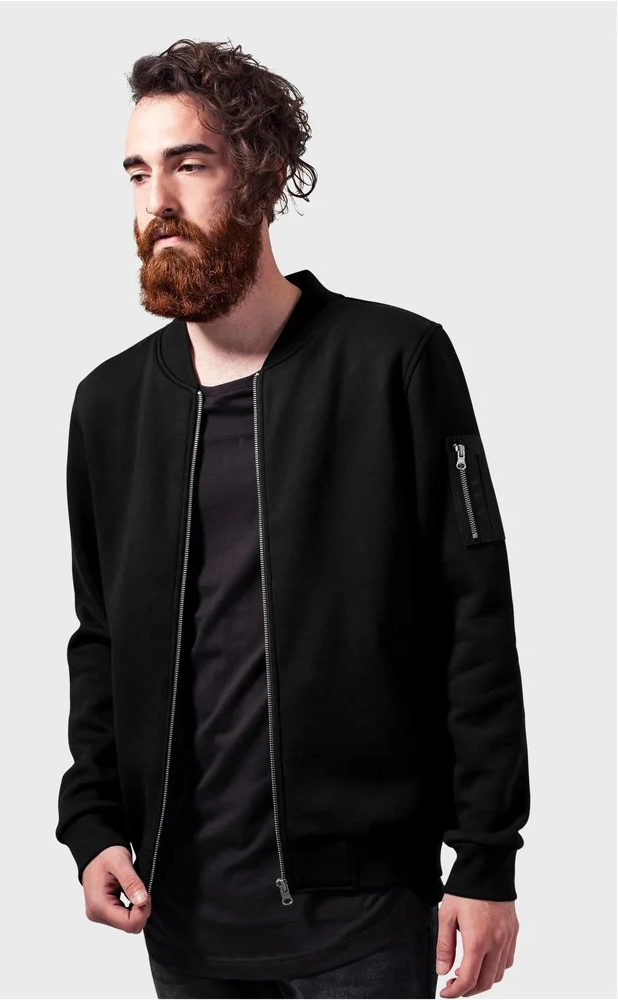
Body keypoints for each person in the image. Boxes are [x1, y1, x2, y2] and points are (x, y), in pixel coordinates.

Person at [55, 38, 531, 1000]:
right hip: (181, 920)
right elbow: (101, 637)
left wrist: (485, 860)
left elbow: (472, 616)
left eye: (190, 165)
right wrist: (94, 822)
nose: (157, 202)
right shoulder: (109, 406)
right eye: (138, 173)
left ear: (266, 179)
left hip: (364, 916)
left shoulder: (395, 362)